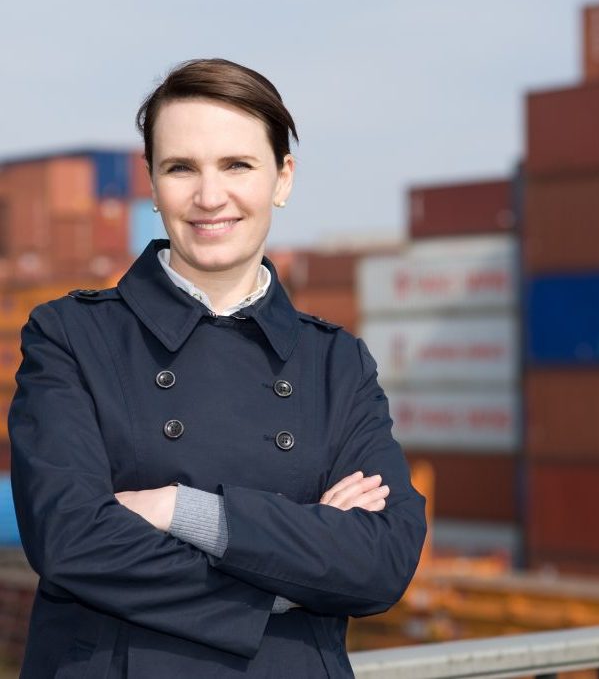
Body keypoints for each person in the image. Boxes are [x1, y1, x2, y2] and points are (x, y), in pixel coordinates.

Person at [9, 58, 427, 678]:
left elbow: (384, 561)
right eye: (181, 168)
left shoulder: (336, 362)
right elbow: (70, 539)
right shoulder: (70, 335)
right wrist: (293, 581)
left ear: (282, 178)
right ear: (151, 184)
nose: (209, 197)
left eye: (237, 165)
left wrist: (182, 510)